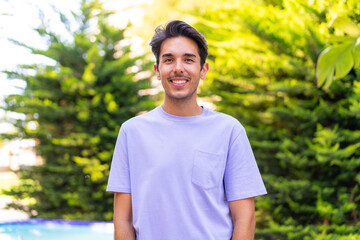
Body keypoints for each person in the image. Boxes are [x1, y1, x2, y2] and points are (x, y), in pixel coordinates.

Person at [107, 20, 267, 240]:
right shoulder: (131, 132)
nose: (178, 68)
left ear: (203, 70)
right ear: (157, 70)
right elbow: (123, 220)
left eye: (189, 60)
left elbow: (245, 219)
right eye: (169, 59)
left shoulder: (229, 131)